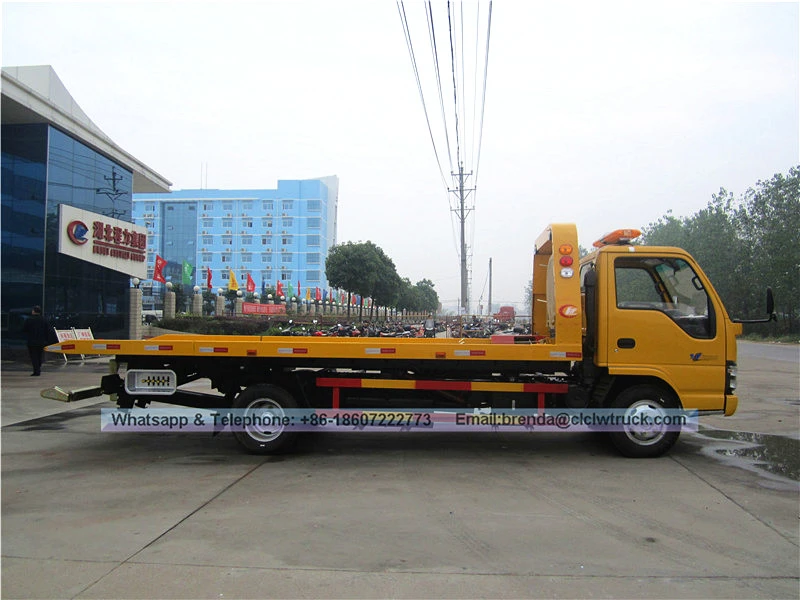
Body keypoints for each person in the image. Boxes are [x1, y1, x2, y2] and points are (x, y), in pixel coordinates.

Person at [22, 305, 49, 376]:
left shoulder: (29, 319)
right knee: (39, 355)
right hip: (41, 341)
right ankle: (38, 367)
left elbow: (24, 329)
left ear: (33, 311)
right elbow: (48, 330)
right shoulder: (44, 319)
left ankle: (36, 370)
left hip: (32, 341)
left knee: (34, 356)